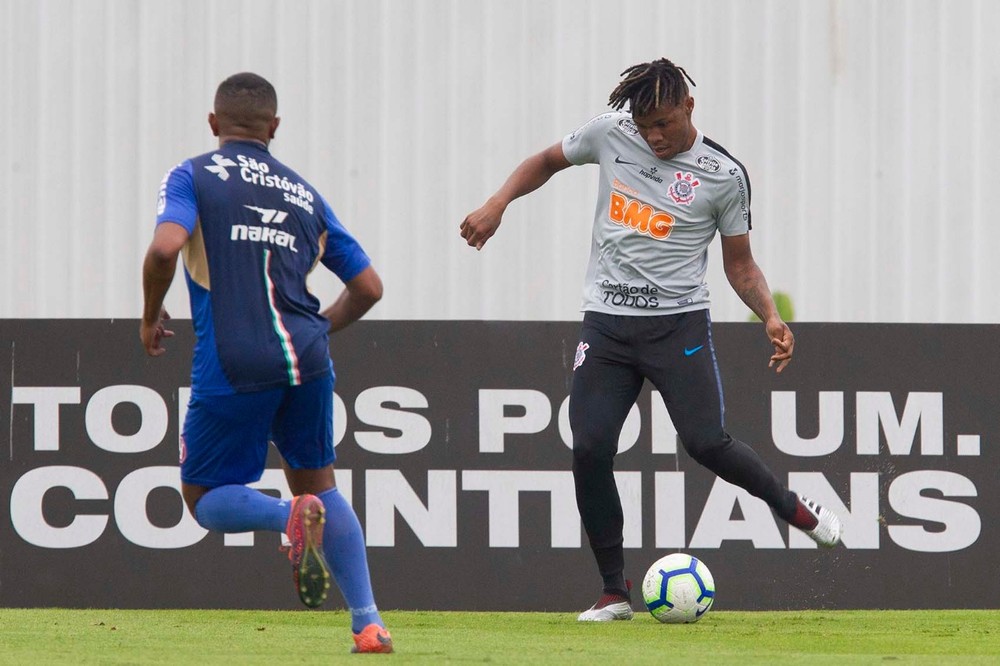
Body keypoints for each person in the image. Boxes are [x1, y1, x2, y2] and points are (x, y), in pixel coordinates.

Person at [460, 58, 842, 622]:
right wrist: (497, 204)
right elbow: (544, 161)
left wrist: (769, 317)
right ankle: (615, 592)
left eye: (663, 122)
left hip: (678, 328)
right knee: (589, 447)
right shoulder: (610, 134)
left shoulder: (723, 175)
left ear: (689, 106)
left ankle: (792, 509)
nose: (653, 135)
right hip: (607, 326)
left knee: (706, 443)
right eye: (644, 125)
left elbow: (740, 266)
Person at [140, 72, 393, 653]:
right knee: (322, 486)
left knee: (205, 498)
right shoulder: (305, 194)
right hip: (308, 357)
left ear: (213, 123)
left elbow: (163, 248)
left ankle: (285, 516)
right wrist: (316, 330)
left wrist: (149, 313)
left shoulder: (194, 174)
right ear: (274, 129)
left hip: (234, 356)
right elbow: (370, 287)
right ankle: (369, 623)